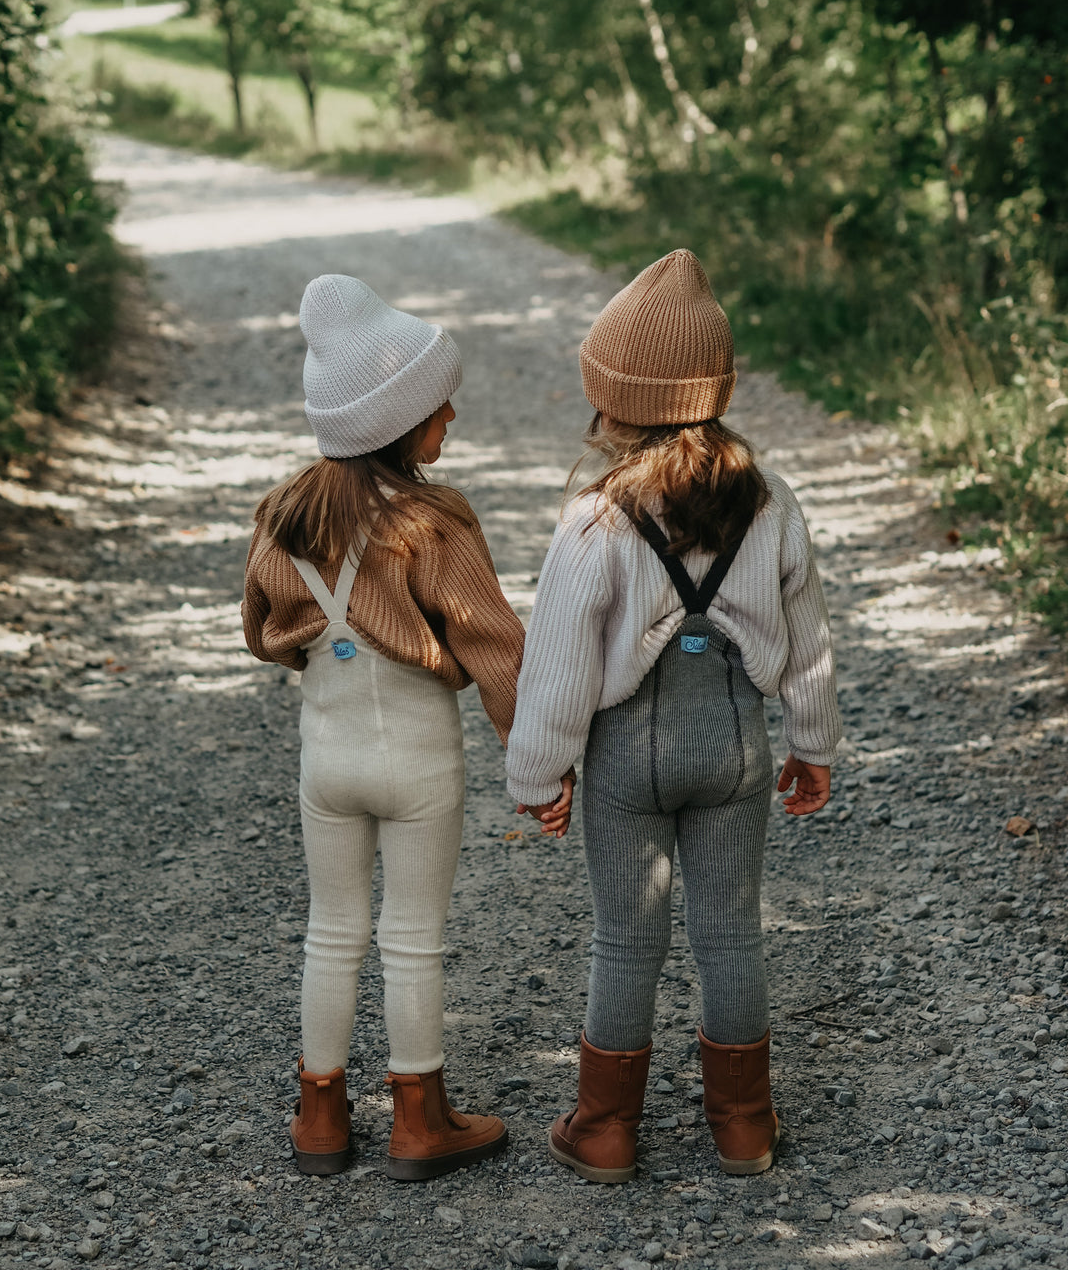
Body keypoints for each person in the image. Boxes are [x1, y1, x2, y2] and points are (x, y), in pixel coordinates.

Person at [505, 249, 841, 1183]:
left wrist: (540, 775)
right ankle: (742, 1125)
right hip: (733, 745)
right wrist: (812, 743)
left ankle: (605, 1130)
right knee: (730, 929)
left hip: (628, 759)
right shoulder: (771, 503)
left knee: (627, 936)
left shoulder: (596, 519)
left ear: (612, 402)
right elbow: (808, 636)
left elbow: (560, 664)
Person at [242, 274, 568, 1180]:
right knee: (412, 936)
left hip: (327, 762)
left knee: (332, 930)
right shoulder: (434, 524)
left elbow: (260, 633)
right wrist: (540, 765)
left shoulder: (283, 516)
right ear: (393, 423)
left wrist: (318, 646)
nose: (451, 414)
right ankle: (419, 1120)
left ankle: (319, 1116)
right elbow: (497, 647)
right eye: (436, 405)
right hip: (419, 761)